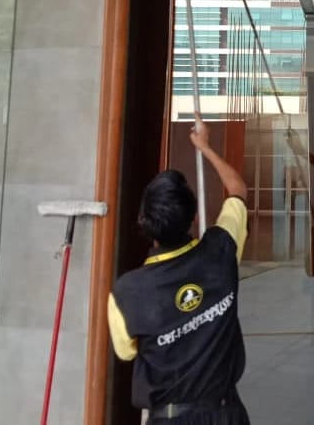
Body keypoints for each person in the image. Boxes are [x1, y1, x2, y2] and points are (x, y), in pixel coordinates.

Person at [107, 117, 250, 424]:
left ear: (143, 222)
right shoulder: (221, 251)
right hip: (225, 414)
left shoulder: (127, 292)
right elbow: (237, 189)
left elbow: (127, 352)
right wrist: (205, 147)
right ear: (193, 217)